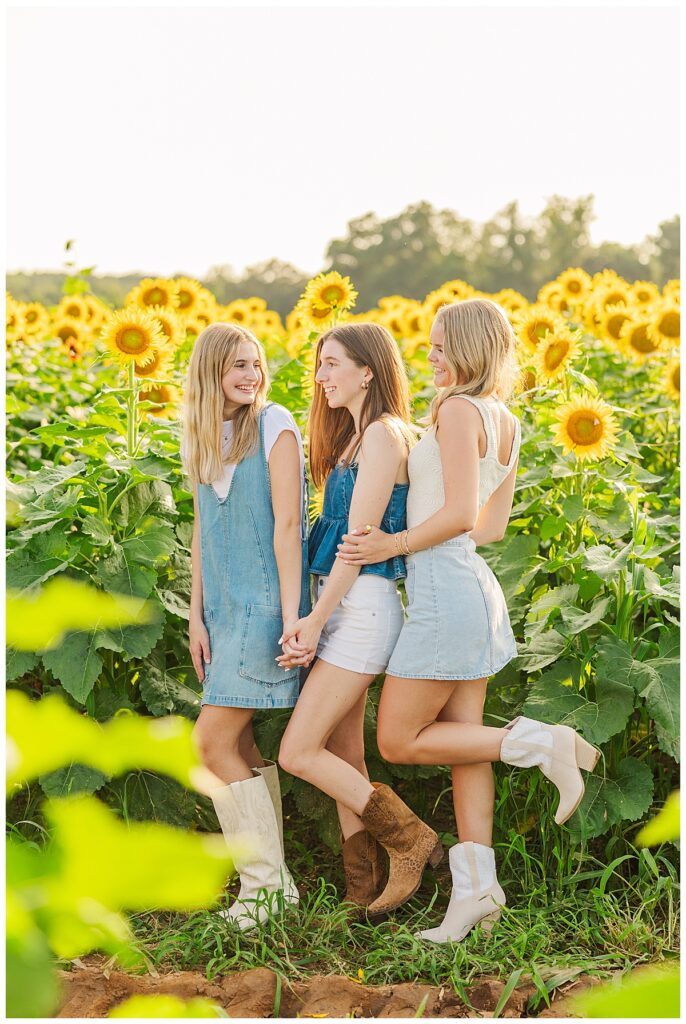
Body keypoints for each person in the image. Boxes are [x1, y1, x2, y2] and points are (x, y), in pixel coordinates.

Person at [337, 298, 600, 942]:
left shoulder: (456, 412)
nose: (429, 359)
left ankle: (543, 744)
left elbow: (459, 515)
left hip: (444, 597)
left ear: (469, 348)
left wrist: (393, 544)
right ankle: (477, 892)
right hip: (472, 591)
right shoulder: (505, 419)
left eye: (438, 348)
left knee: (398, 740)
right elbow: (492, 526)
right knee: (463, 745)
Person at [276, 322, 443, 916]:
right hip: (345, 604)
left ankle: (409, 838)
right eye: (319, 366)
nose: (320, 378)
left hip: (363, 608)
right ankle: (361, 891)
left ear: (368, 370)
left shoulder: (380, 436)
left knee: (298, 751)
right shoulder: (355, 437)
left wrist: (317, 618)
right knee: (345, 754)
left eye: (332, 364)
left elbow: (358, 540)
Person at [182, 322, 310, 931]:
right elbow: (205, 533)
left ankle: (266, 886)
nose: (251, 375)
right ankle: (271, 886)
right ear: (210, 370)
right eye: (237, 365)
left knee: (208, 745)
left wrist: (292, 617)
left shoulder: (274, 424)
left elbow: (290, 527)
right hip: (223, 614)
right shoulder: (210, 435)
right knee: (239, 746)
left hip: (265, 608)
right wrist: (195, 616)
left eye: (256, 364)